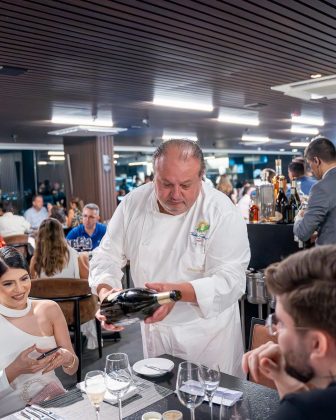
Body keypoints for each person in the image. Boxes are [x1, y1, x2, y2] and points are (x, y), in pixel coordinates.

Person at [90, 139, 250, 377]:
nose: (175, 195)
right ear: (154, 176)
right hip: (155, 331)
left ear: (201, 177)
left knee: (212, 409)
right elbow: (106, 255)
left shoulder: (221, 211)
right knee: (163, 404)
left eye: (186, 185)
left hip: (207, 337)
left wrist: (176, 293)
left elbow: (231, 280)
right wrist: (107, 295)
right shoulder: (133, 203)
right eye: (166, 184)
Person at [242, 245, 336, 420]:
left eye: (282, 324)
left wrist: (296, 406)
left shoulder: (304, 411)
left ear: (317, 344)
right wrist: (292, 390)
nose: (275, 331)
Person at [0, 247, 78, 417]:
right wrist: (14, 370)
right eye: (8, 283)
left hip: (55, 404)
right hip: (11, 413)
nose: (20, 289)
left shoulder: (49, 309)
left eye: (24, 279)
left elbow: (72, 369)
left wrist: (68, 358)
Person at [294, 137, 336, 246]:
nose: (311, 170)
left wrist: (298, 217)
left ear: (317, 161)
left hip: (329, 258)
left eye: (310, 164)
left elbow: (302, 233)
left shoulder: (321, 188)